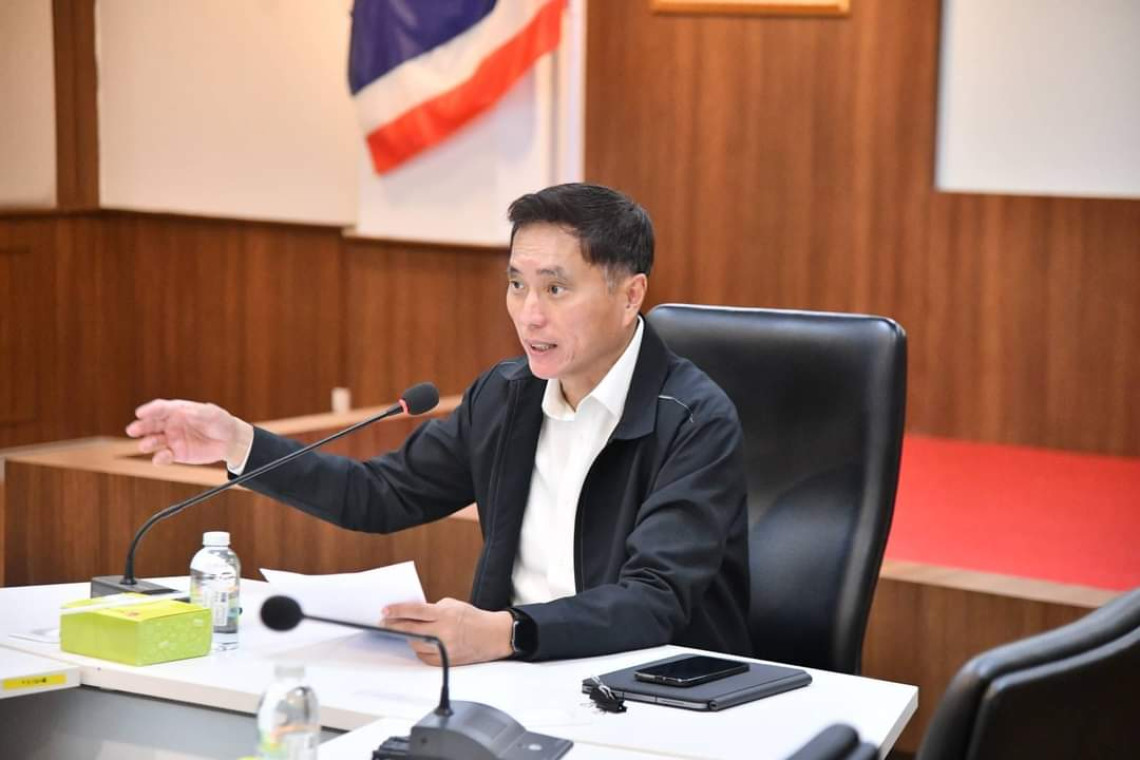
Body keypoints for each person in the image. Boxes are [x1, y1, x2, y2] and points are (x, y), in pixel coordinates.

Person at [126, 183, 751, 665]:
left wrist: (505, 632)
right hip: (517, 674)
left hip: (653, 687)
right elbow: (380, 495)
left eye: (555, 290)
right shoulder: (505, 396)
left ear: (631, 295)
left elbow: (654, 601)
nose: (529, 315)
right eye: (516, 284)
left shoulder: (694, 420)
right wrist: (239, 442)